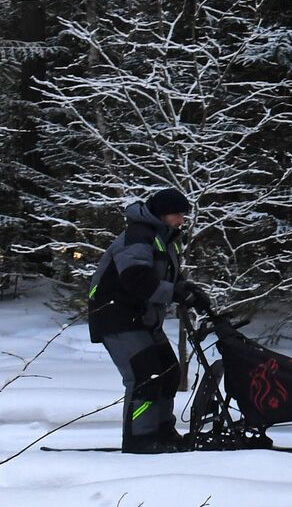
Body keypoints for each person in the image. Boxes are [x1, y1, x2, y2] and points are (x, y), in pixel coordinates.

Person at [88, 187, 212, 453]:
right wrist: (174, 292)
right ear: (162, 214)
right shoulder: (138, 236)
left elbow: (166, 278)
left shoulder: (165, 238)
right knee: (145, 376)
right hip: (117, 316)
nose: (181, 220)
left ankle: (163, 432)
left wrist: (187, 291)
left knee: (168, 373)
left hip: (142, 317)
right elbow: (135, 279)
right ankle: (140, 440)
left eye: (183, 215)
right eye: (177, 214)